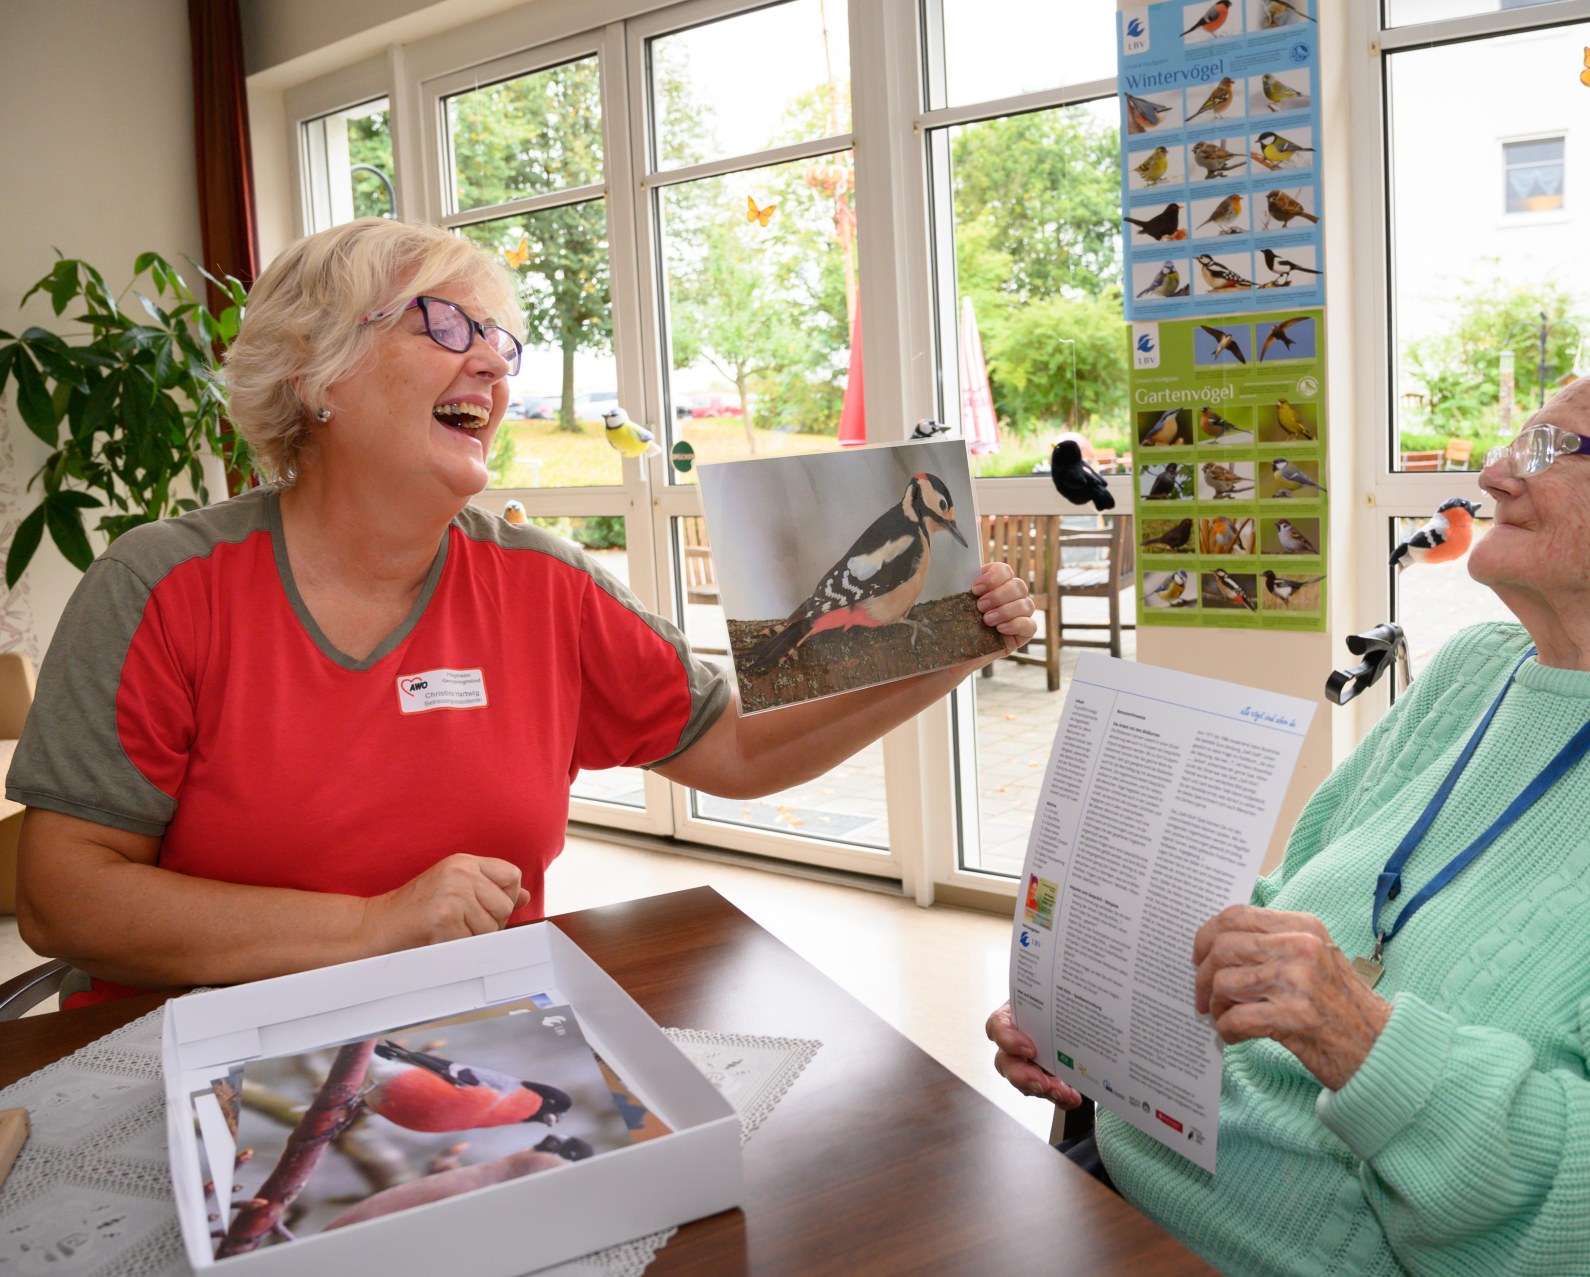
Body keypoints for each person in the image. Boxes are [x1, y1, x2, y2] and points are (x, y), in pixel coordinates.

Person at [987, 349, 1590, 1275]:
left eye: (1548, 445)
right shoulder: (1478, 668)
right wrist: (1099, 1009)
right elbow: (1298, 898)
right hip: (1129, 1172)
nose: (1495, 471)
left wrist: (1372, 1048)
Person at [8, 217, 1035, 1007]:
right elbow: (65, 895)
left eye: (501, 338)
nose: (494, 363)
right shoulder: (163, 586)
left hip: (472, 1040)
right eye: (446, 325)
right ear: (312, 372)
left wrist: (942, 650)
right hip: (190, 1060)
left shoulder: (546, 584)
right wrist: (373, 925)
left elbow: (737, 746)